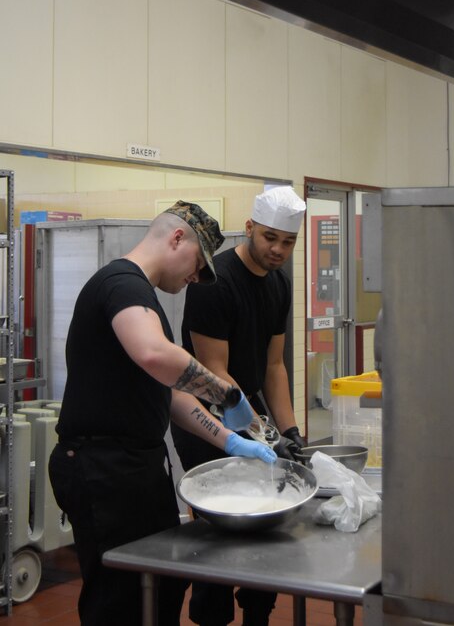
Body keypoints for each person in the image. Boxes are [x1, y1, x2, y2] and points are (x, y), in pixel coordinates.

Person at [48, 201, 276, 626]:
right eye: (197, 264)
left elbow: (168, 392)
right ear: (176, 238)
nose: (195, 277)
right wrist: (227, 394)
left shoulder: (143, 300)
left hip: (136, 467)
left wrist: (228, 439)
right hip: (103, 469)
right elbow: (155, 356)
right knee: (122, 602)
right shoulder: (121, 283)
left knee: (162, 588)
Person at [171, 185, 307, 626]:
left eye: (288, 242)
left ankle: (258, 615)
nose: (278, 250)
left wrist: (290, 434)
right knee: (219, 533)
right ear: (249, 228)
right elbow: (215, 377)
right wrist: (263, 434)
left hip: (253, 420)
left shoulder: (279, 285)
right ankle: (211, 616)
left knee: (263, 526)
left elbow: (274, 367)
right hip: (208, 420)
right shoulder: (216, 282)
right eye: (270, 238)